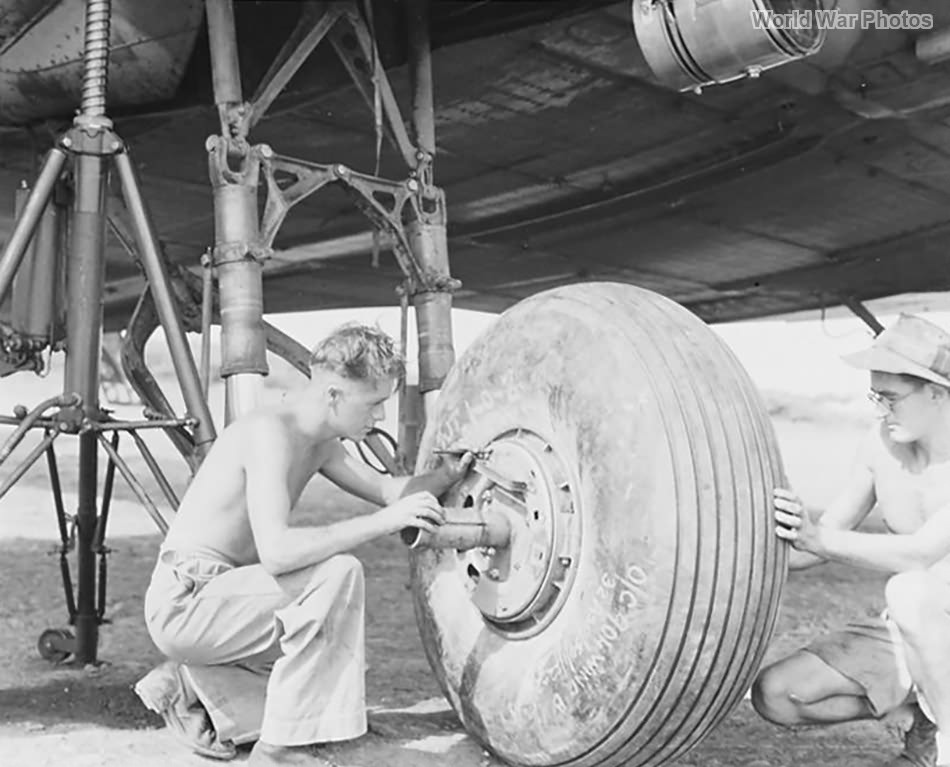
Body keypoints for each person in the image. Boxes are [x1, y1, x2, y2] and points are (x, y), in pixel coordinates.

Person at [132, 323, 471, 766]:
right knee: (336, 579)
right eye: (374, 404)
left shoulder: (320, 443)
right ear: (333, 395)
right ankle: (279, 751)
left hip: (231, 599)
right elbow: (277, 551)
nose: (380, 418)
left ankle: (193, 685)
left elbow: (390, 491)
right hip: (187, 602)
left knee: (331, 664)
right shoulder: (271, 432)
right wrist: (381, 524)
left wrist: (445, 475)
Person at [752, 313, 950, 767]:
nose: (881, 409)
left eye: (892, 398)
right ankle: (925, 714)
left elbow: (919, 553)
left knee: (909, 589)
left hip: (928, 612)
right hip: (916, 632)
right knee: (777, 694)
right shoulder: (881, 445)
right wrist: (734, 546)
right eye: (875, 396)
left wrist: (818, 538)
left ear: (936, 394)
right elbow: (817, 543)